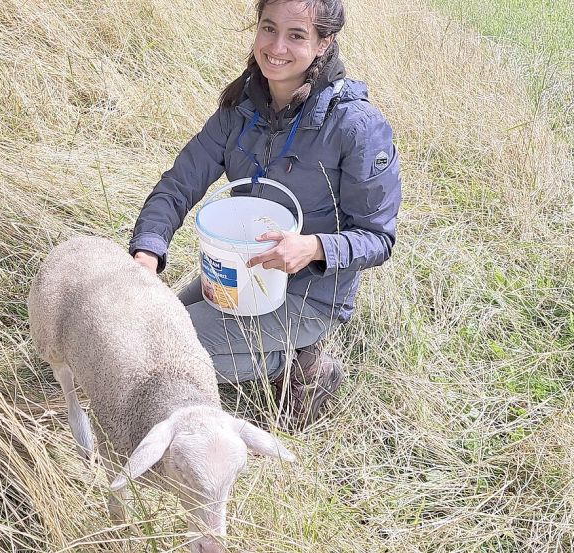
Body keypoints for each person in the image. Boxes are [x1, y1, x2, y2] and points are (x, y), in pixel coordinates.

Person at [128, 0, 401, 429]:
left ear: (324, 43)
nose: (276, 46)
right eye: (268, 28)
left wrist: (313, 247)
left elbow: (378, 237)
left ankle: (301, 368)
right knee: (145, 328)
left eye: (296, 35)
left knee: (165, 358)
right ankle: (276, 355)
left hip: (310, 295)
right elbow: (178, 184)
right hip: (237, 272)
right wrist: (147, 252)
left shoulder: (356, 126)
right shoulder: (240, 109)